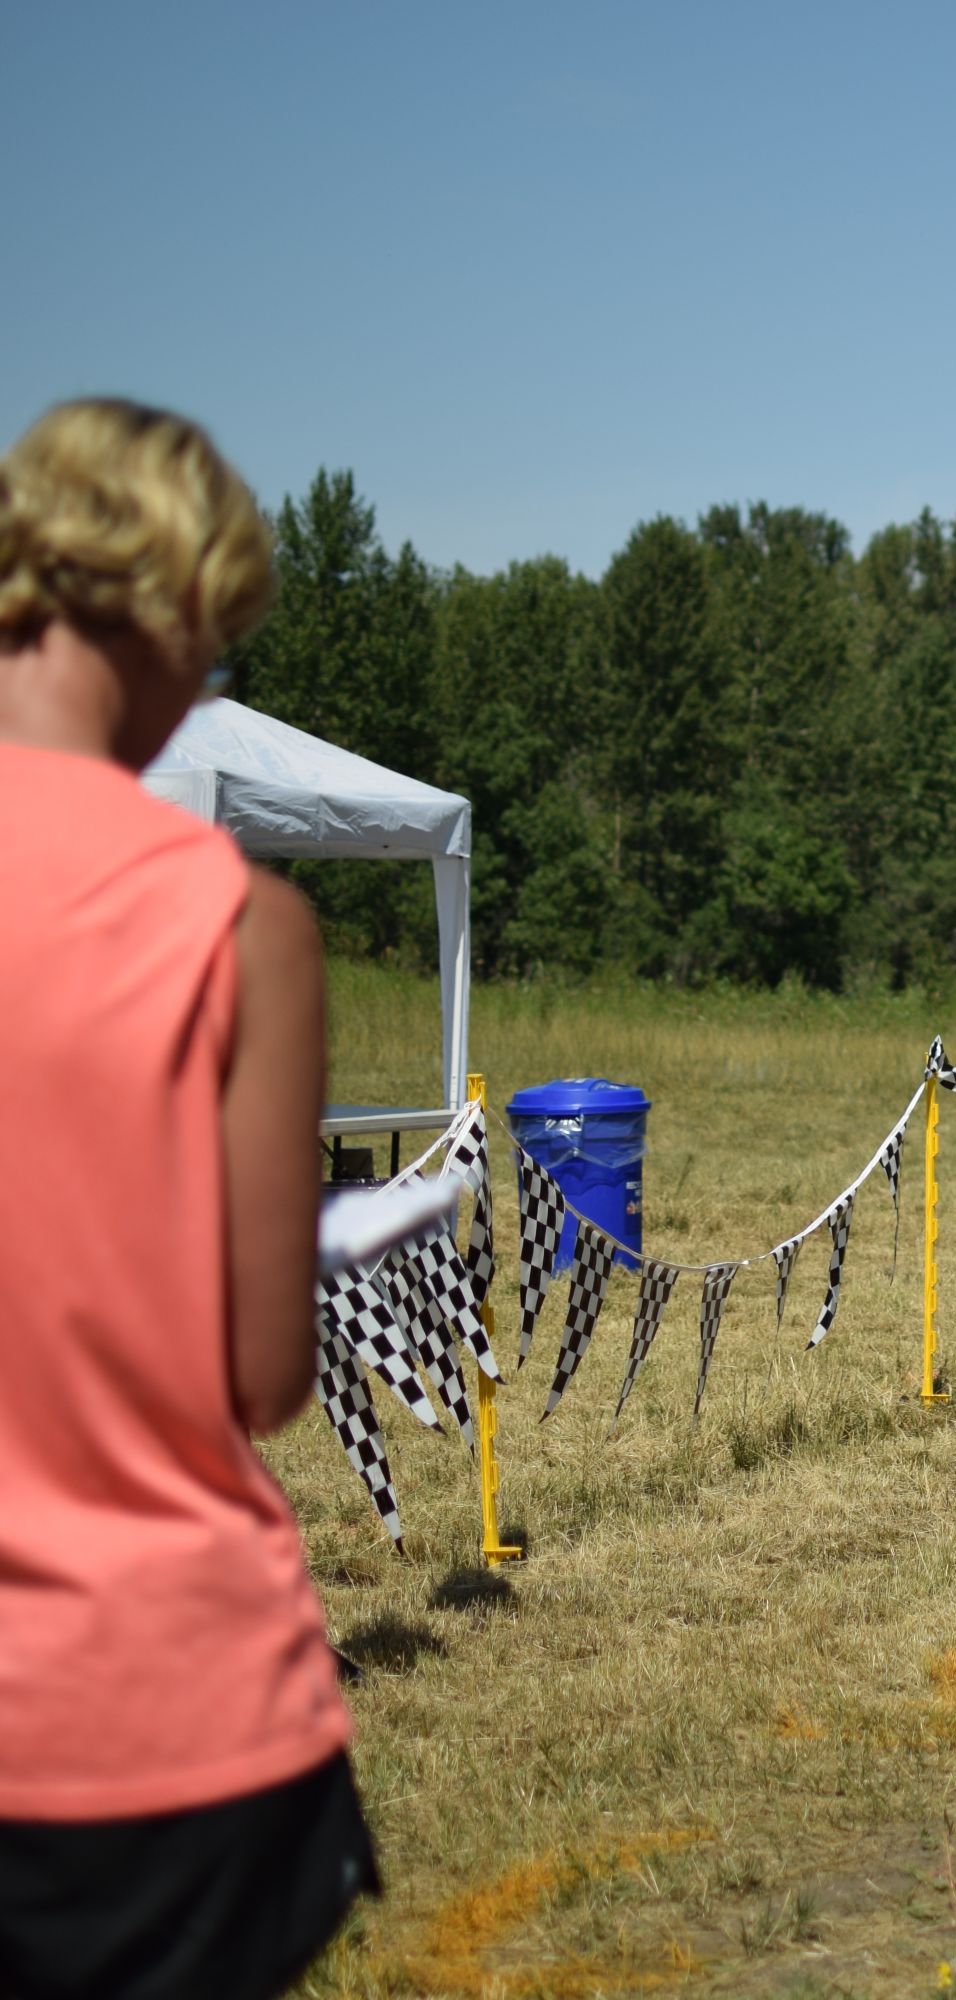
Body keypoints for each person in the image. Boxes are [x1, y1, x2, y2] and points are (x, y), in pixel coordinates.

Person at [0, 400, 376, 1998]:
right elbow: (261, 1375)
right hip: (157, 1734)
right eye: (217, 650)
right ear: (165, 609)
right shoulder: (240, 929)